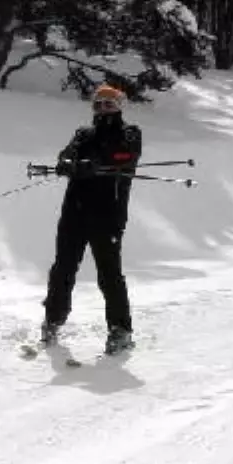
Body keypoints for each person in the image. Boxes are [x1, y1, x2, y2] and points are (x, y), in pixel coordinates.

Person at [41, 83, 141, 354]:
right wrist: (66, 162)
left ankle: (120, 330)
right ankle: (52, 319)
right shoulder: (83, 133)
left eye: (109, 103)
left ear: (119, 106)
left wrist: (93, 163)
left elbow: (124, 156)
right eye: (98, 103)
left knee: (108, 273)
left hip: (108, 214)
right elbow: (68, 153)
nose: (103, 108)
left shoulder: (130, 133)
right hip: (75, 211)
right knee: (63, 268)